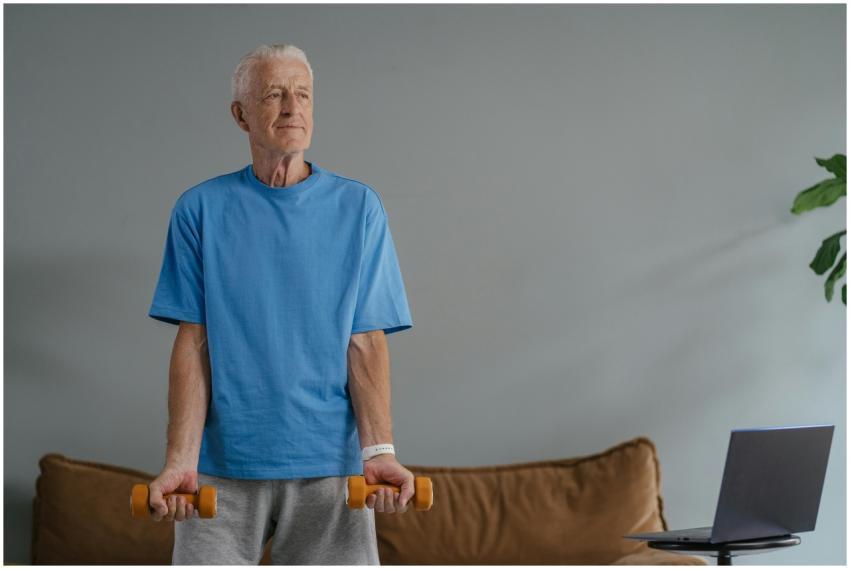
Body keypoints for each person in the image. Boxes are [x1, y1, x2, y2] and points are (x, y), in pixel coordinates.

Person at [146, 43, 414, 565]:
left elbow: (365, 343)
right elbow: (193, 342)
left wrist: (378, 452)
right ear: (240, 115)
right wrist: (181, 460)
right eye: (274, 94)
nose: (292, 107)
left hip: (330, 470)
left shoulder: (359, 207)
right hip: (222, 469)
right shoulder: (200, 209)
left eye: (303, 94)